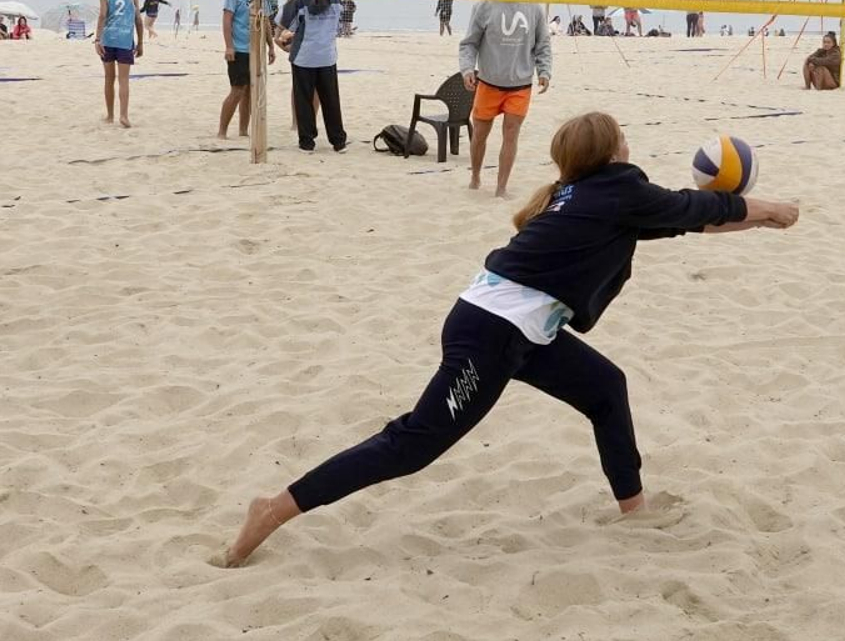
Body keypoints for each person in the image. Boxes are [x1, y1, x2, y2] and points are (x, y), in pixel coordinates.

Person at [219, 110, 802, 567]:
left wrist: (762, 221)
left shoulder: (592, 196)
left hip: (516, 328)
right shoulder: (617, 190)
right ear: (611, 153)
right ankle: (274, 508)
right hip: (492, 335)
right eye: (623, 139)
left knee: (605, 388)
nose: (629, 146)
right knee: (413, 443)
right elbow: (692, 203)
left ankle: (633, 510)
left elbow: (690, 219)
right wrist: (769, 204)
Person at [459, 0, 552, 198]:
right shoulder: (484, 5)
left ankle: (501, 188)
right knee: (479, 135)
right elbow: (469, 44)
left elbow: (543, 44)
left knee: (511, 135)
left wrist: (544, 71)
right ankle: (476, 177)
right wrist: (467, 69)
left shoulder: (533, 7)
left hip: (520, 85)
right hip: (488, 82)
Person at [277, 0, 348, 152]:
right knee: (331, 99)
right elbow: (339, 23)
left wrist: (284, 39)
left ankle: (307, 142)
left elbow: (283, 24)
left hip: (304, 56)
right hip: (327, 55)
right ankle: (338, 141)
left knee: (303, 100)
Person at [219, 0, 278, 139]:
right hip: (239, 49)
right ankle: (222, 132)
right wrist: (229, 47)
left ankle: (243, 130)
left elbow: (266, 21)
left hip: (257, 50)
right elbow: (227, 20)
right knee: (237, 90)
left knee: (251, 92)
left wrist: (271, 46)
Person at [96, 0, 143, 128]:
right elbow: (138, 21)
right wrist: (141, 42)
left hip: (108, 40)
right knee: (124, 81)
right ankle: (124, 116)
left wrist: (97, 39)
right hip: (125, 41)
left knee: (109, 79)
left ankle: (110, 116)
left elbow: (102, 16)